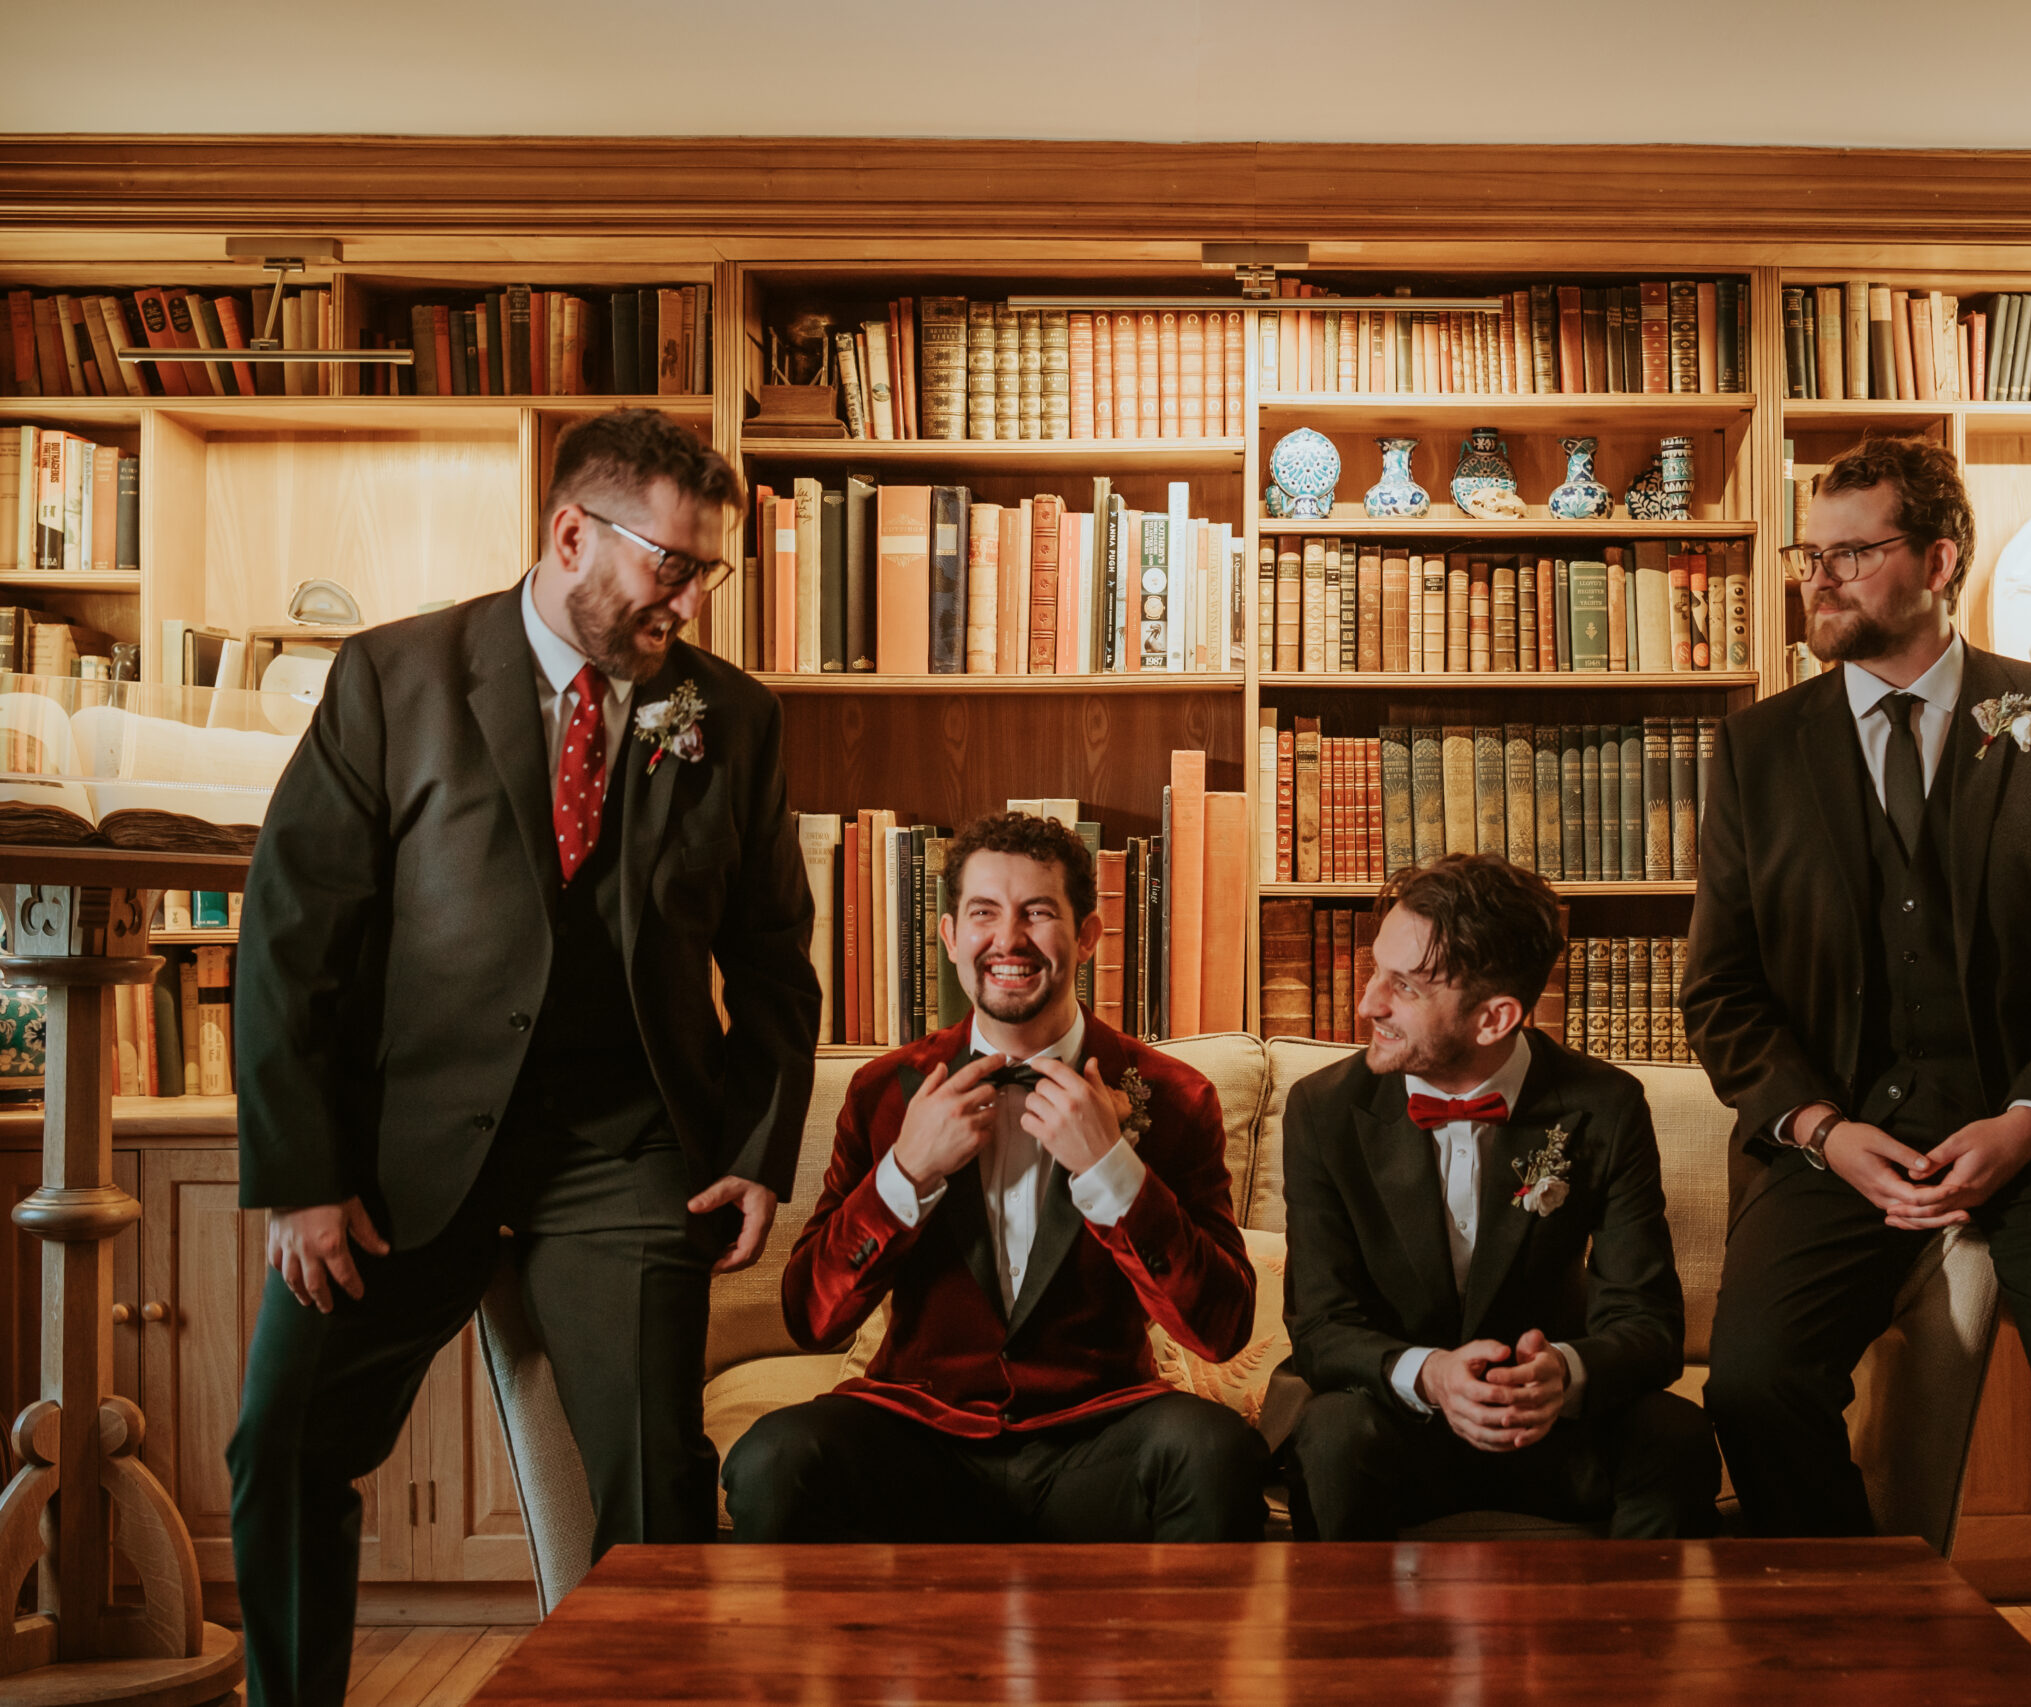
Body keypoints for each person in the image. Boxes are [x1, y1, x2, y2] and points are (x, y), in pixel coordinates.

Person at [228, 408, 819, 1707]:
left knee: (661, 1485)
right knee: (281, 1446)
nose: (694, 594)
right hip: (395, 1152)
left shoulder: (729, 716)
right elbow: (291, 934)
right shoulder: (396, 678)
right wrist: (305, 1172)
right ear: (570, 534)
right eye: (675, 563)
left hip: (624, 1146)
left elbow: (777, 958)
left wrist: (756, 1153)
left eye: (710, 569)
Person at [1681, 436, 2031, 1705]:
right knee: (1754, 1386)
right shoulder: (1756, 752)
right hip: (1842, 1145)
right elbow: (1722, 992)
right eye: (1814, 556)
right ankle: (1869, 1658)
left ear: (1939, 559)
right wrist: (1818, 1128)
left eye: (1854, 553)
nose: (1822, 579)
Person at [724, 809, 1267, 1542]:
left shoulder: (1172, 1096)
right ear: (949, 936)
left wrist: (1114, 1170)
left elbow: (1223, 1326)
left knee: (1216, 1454)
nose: (1007, 938)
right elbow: (811, 1318)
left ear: (1088, 936)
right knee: (772, 1459)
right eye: (983, 912)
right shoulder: (885, 1092)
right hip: (920, 1436)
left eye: (1037, 912)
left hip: (1099, 1433)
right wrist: (905, 1172)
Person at [1280, 854, 1715, 1540]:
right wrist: (1433, 1376)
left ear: (1494, 1018)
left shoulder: (1604, 1105)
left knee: (1677, 1436)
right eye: (1375, 971)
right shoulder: (1322, 1110)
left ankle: (1632, 1643)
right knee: (1332, 1436)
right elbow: (1321, 1327)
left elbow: (1649, 1324)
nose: (1368, 1002)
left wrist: (1563, 1374)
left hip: (1546, 1434)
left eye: (1403, 985)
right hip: (1396, 1427)